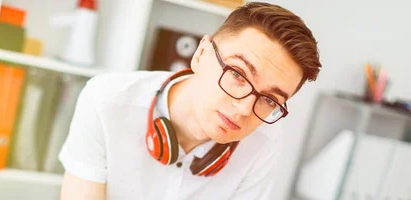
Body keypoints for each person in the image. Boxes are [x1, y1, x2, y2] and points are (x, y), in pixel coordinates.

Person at [58, 2, 321, 199]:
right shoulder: (106, 101)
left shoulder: (264, 140)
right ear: (201, 54)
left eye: (269, 100)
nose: (244, 108)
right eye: (238, 75)